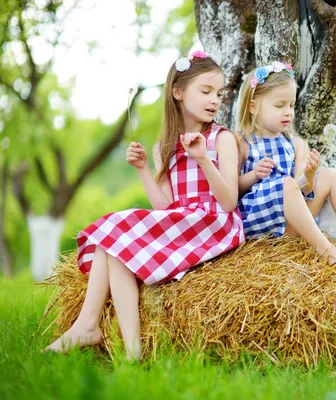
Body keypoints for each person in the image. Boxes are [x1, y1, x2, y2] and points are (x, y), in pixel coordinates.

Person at [44, 51, 244, 360]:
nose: (214, 100)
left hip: (214, 223)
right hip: (182, 220)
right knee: (114, 244)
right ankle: (131, 351)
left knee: (114, 229)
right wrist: (143, 171)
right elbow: (165, 206)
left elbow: (229, 201)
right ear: (178, 92)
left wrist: (204, 158)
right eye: (205, 91)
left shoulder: (222, 139)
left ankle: (86, 325)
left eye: (218, 93)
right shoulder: (163, 146)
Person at [236, 61, 336, 266]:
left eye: (291, 105)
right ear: (253, 107)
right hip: (261, 226)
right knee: (286, 183)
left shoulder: (296, 144)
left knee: (331, 176)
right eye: (279, 105)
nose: (288, 112)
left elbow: (304, 188)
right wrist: (253, 174)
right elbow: (231, 190)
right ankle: (326, 249)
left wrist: (310, 173)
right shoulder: (241, 143)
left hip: (292, 224)